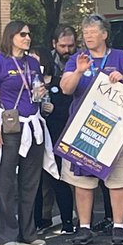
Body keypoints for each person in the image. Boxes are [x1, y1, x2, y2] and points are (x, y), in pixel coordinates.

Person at [59, 14, 123, 245]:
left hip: (117, 129)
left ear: (104, 34)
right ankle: (84, 227)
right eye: (85, 32)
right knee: (82, 181)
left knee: (118, 179)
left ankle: (118, 226)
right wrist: (78, 71)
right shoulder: (77, 58)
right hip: (85, 128)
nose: (88, 36)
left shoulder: (122, 58)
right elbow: (65, 88)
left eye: (93, 32)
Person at [0, 20, 54, 245]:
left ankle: (28, 233)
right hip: (9, 125)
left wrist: (41, 95)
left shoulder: (32, 63)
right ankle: (7, 236)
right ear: (11, 36)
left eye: (29, 34)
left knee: (30, 181)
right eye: (22, 34)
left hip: (33, 124)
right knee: (5, 181)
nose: (27, 38)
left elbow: (35, 92)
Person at [39, 26, 79, 234]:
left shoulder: (81, 59)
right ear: (54, 44)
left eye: (71, 46)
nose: (67, 50)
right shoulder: (46, 61)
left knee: (73, 175)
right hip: (44, 127)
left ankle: (80, 219)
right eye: (63, 46)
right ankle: (42, 218)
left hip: (71, 121)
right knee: (44, 177)